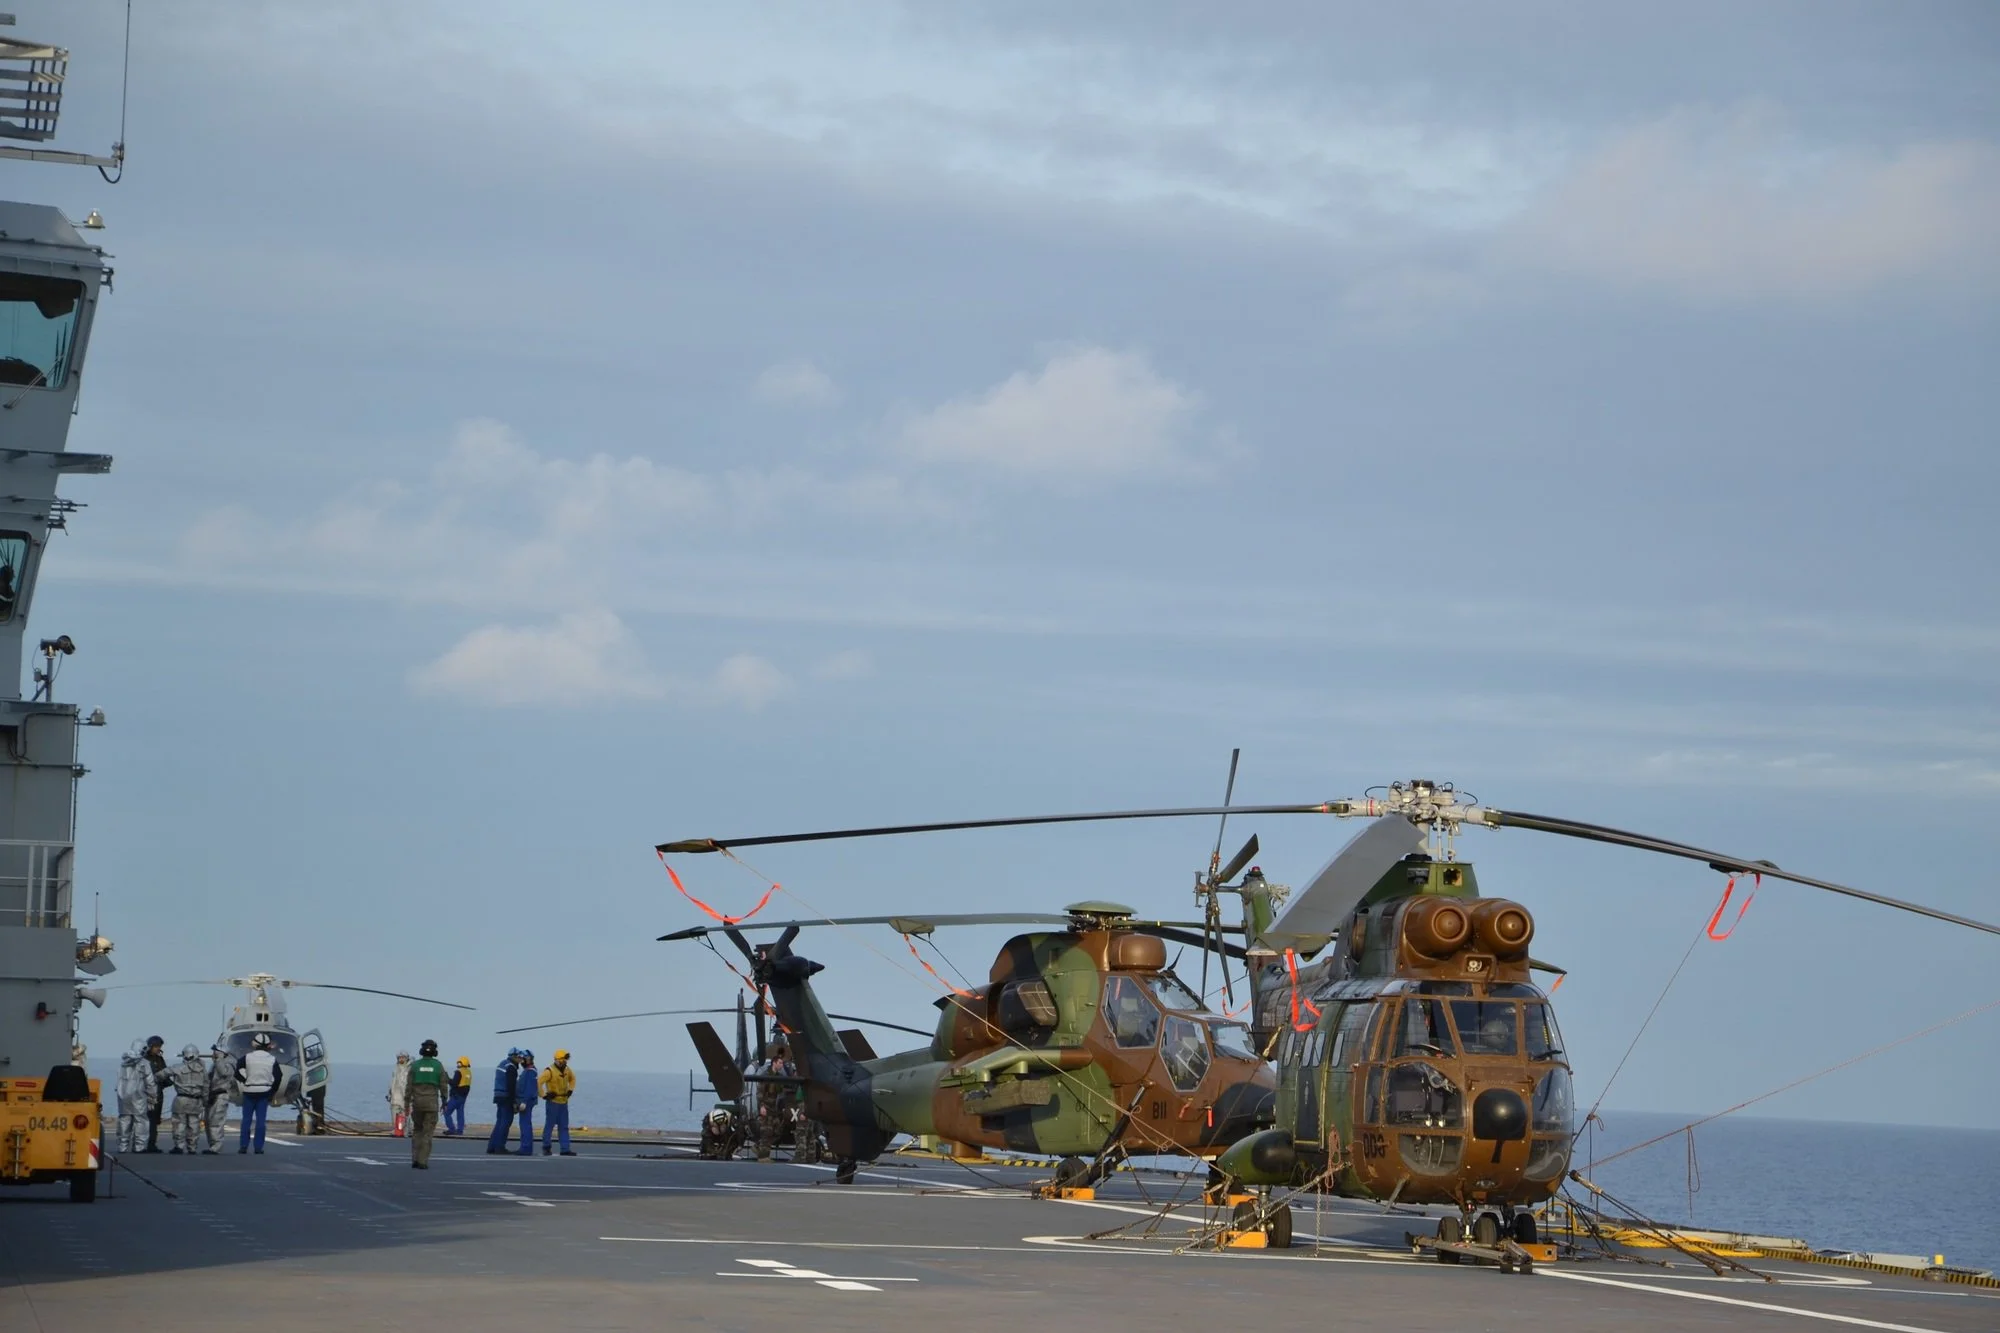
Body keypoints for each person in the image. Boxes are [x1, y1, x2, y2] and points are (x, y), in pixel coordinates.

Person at [405, 1039, 449, 1169]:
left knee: (417, 1130)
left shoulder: (415, 1065)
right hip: (431, 1104)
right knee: (427, 1133)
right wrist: (444, 1101)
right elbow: (443, 1085)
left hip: (417, 1103)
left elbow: (408, 1087)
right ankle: (422, 1161)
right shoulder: (438, 1066)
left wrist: (406, 1103)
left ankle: (415, 1159)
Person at [236, 1032, 281, 1153]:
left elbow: (237, 1071)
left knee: (246, 1120)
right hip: (264, 1091)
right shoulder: (272, 1059)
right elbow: (278, 1077)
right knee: (261, 1121)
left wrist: (245, 1080)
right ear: (268, 1045)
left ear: (254, 1044)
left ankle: (243, 1146)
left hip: (249, 1091)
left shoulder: (247, 1057)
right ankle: (258, 1147)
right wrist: (272, 1091)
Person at [754, 1041, 796, 1162]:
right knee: (766, 1132)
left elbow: (784, 1088)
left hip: (774, 1108)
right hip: (766, 1107)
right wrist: (762, 1106)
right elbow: (760, 1092)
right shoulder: (766, 1075)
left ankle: (758, 1147)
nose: (782, 1065)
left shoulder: (778, 1077)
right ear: (774, 1063)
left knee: (777, 1130)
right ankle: (763, 1157)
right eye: (780, 1063)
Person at [165, 1044, 207, 1154]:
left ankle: (179, 1146)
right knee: (194, 1125)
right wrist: (205, 1101)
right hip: (196, 1100)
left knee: (179, 1124)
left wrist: (168, 1082)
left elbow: (160, 1075)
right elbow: (206, 1086)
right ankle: (192, 1147)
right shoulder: (202, 1070)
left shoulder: (177, 1067)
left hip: (181, 1099)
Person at [539, 1048, 577, 1157]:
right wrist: (544, 1095)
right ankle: (546, 1147)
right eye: (563, 1059)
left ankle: (565, 1149)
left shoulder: (567, 1070)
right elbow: (538, 1082)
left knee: (564, 1126)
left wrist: (570, 1090)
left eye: (565, 1060)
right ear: (557, 1060)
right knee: (549, 1126)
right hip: (553, 1103)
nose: (565, 1062)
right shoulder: (549, 1071)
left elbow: (573, 1079)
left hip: (563, 1102)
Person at [114, 1040, 149, 1154]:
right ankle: (139, 1146)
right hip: (139, 1096)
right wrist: (153, 1097)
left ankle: (122, 1146)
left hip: (123, 1096)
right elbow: (150, 1081)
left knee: (124, 1120)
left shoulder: (123, 1063)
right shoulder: (144, 1063)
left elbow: (118, 1081)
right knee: (141, 1121)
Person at [486, 1048, 521, 1154]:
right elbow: (511, 1086)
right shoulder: (511, 1067)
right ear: (514, 1056)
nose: (520, 1059)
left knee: (500, 1122)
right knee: (505, 1122)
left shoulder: (502, 1064)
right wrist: (514, 1102)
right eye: (519, 1057)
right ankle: (500, 1147)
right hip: (506, 1097)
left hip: (499, 1096)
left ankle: (492, 1146)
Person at [204, 1043, 236, 1154]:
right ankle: (212, 1145)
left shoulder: (229, 1063)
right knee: (208, 1121)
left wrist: (219, 1060)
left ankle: (216, 1146)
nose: (213, 1053)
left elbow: (224, 1073)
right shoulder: (216, 1064)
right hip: (212, 1095)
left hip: (221, 1095)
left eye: (215, 1051)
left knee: (216, 1121)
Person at [141, 1035, 169, 1152]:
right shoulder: (143, 1059)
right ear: (150, 1046)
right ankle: (142, 1144)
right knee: (145, 1119)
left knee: (155, 1119)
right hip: (145, 1093)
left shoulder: (159, 1059)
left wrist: (166, 1082)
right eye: (156, 1046)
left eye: (159, 1046)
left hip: (158, 1092)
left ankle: (151, 1143)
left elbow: (165, 1073)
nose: (158, 1048)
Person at [512, 1049, 539, 1156]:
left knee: (525, 1125)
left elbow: (529, 1088)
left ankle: (526, 1148)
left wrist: (524, 1102)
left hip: (526, 1102)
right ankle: (525, 1147)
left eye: (523, 1059)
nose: (522, 1061)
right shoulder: (528, 1071)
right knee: (524, 1124)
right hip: (524, 1101)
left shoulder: (530, 1072)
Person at [443, 1056, 471, 1135]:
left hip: (456, 1096)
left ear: (461, 1063)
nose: (457, 1064)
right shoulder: (468, 1072)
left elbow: (453, 1084)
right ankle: (460, 1130)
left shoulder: (459, 1072)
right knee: (460, 1113)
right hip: (463, 1097)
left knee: (446, 1112)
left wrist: (447, 1078)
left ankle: (451, 1129)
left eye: (459, 1063)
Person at [387, 1051, 411, 1136]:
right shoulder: (396, 1068)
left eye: (403, 1057)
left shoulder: (410, 1069)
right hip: (395, 1095)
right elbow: (393, 1081)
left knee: (406, 1113)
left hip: (406, 1095)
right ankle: (396, 1129)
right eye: (399, 1057)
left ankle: (406, 1130)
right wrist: (390, 1092)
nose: (401, 1059)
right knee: (394, 1111)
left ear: (407, 1058)